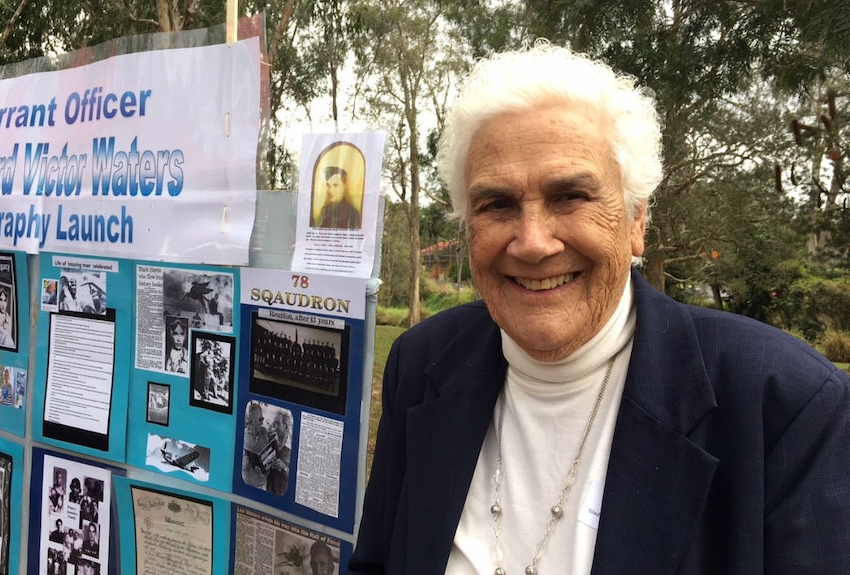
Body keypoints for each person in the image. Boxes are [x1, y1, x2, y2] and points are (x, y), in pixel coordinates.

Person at [346, 43, 850, 574]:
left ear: (636, 221)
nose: (533, 243)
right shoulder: (422, 363)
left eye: (571, 196)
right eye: (497, 204)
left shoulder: (784, 404)